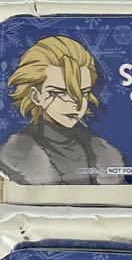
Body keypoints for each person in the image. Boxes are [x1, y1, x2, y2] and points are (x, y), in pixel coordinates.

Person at [0, 34, 124, 185]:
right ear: (36, 96)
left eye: (83, 93)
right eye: (59, 93)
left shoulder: (106, 154)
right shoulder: (13, 157)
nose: (75, 103)